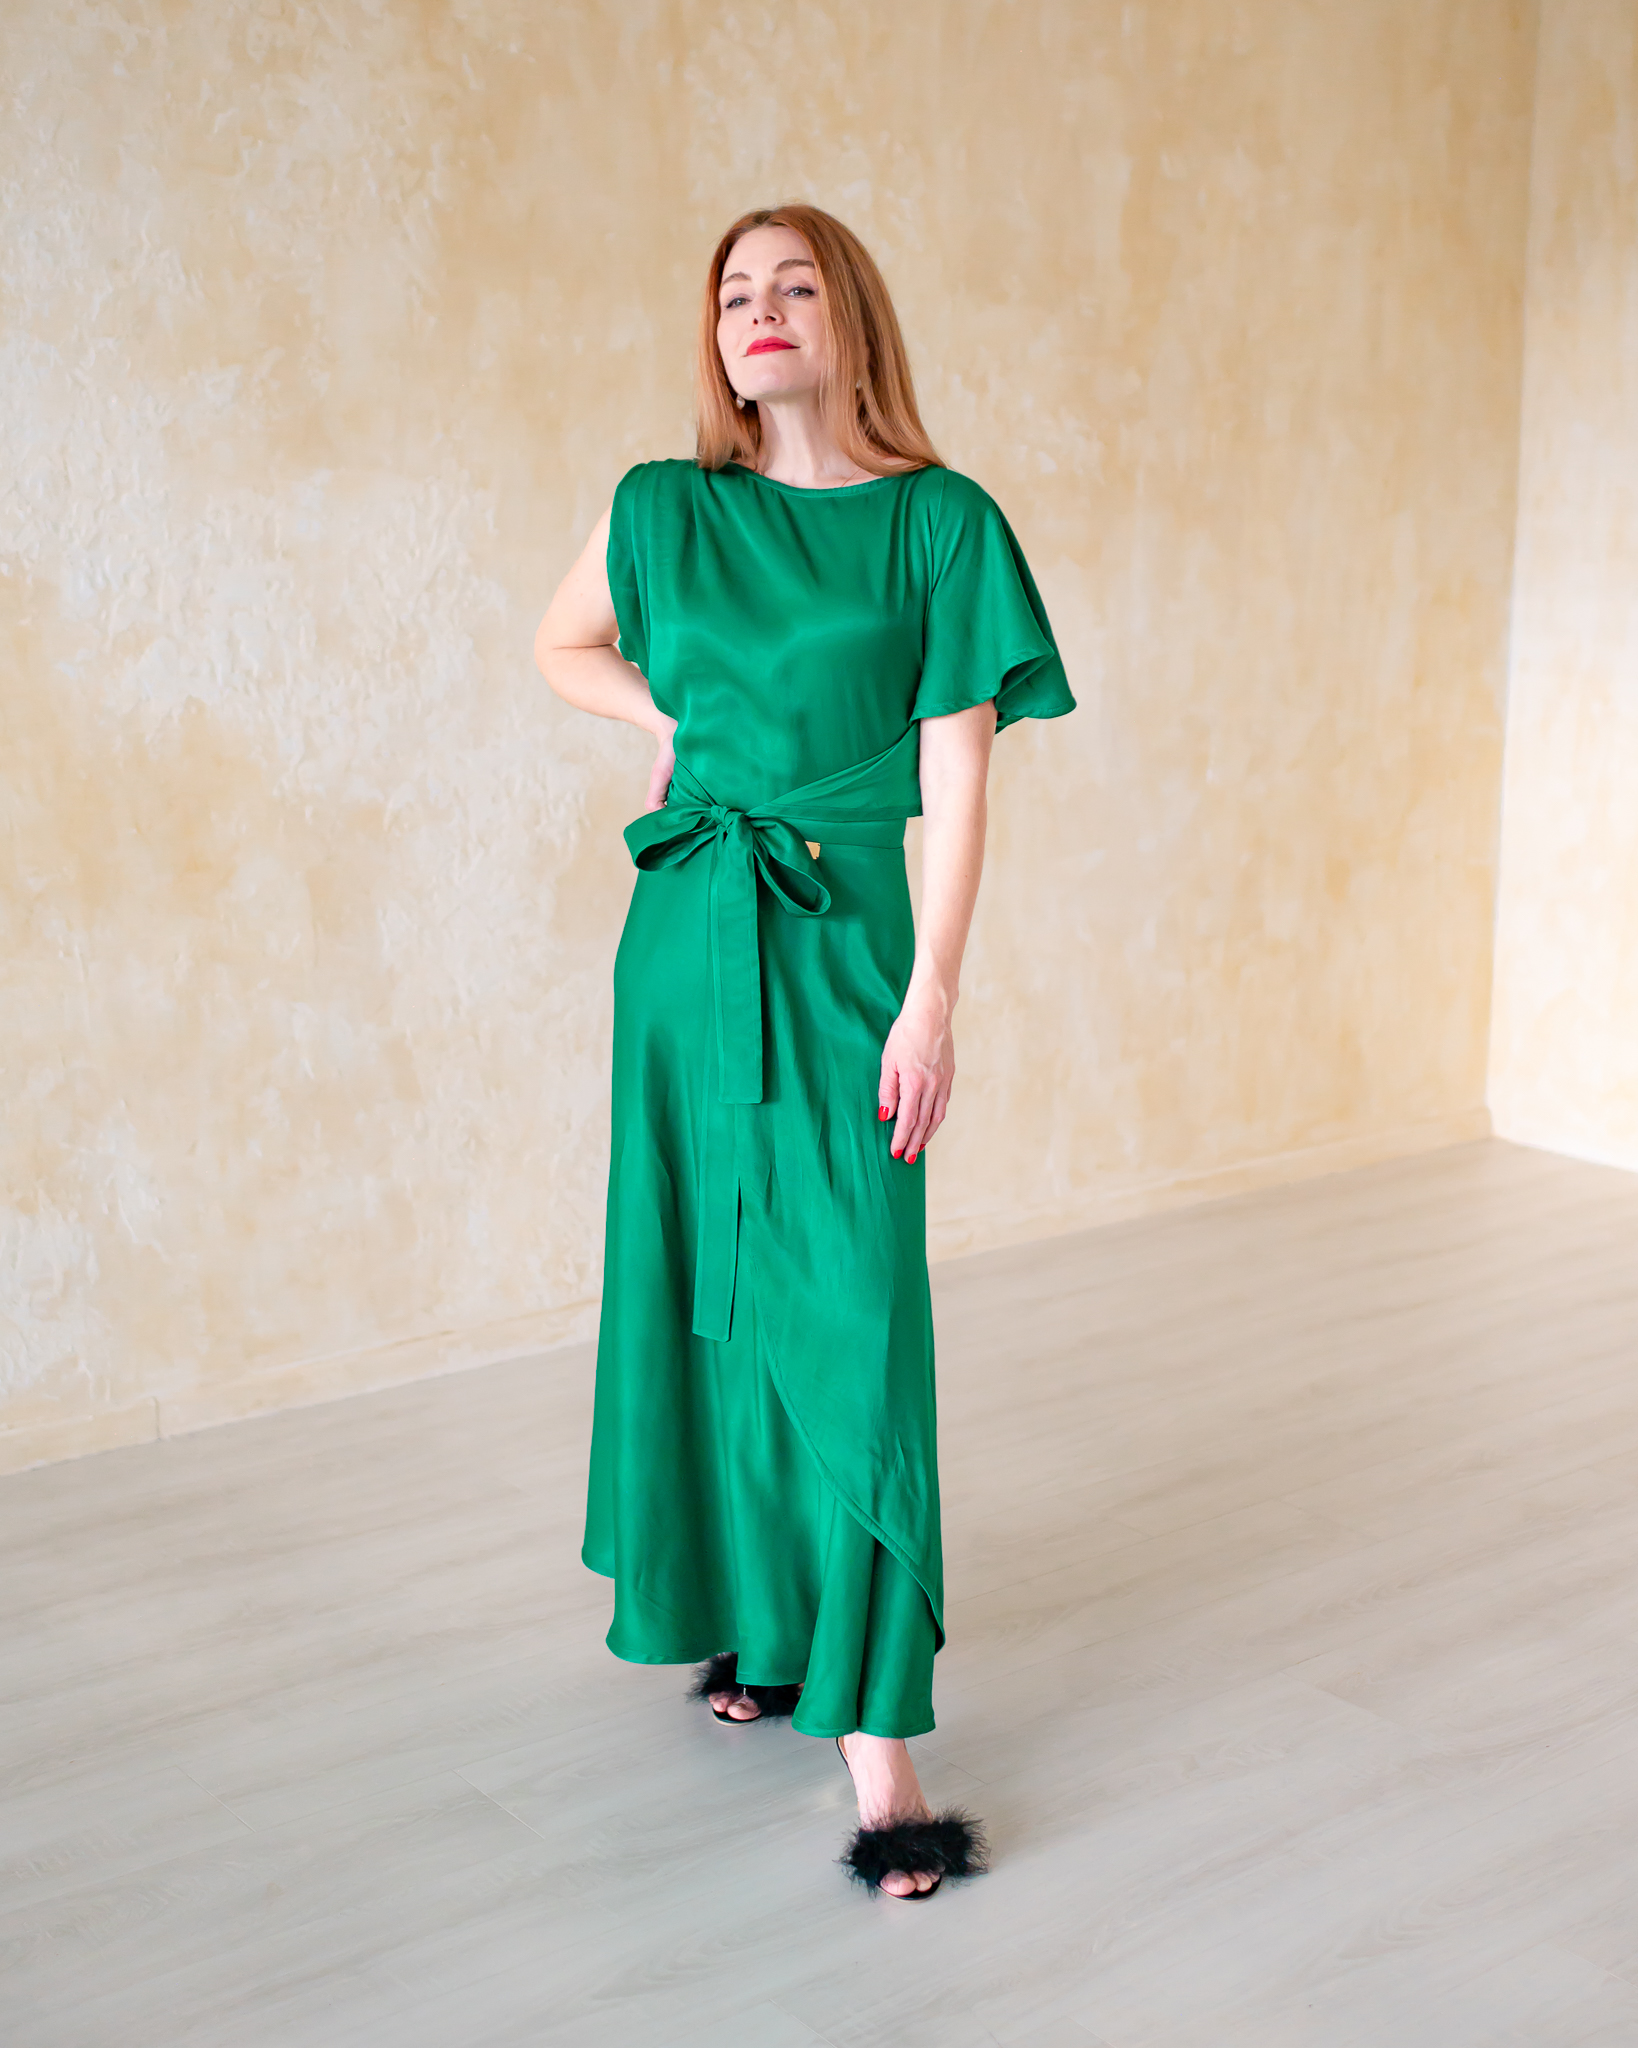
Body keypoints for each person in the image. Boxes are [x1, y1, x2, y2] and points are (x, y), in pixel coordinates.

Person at [536, 202, 1074, 1899]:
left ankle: (877, 1736)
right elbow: (561, 646)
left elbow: (960, 780)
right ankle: (763, 1626)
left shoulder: (938, 523)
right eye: (731, 295)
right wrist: (674, 717)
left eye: (792, 286)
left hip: (844, 949)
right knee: (709, 1290)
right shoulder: (662, 506)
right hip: (685, 942)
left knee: (849, 1310)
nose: (757, 312)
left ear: (851, 319)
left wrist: (932, 996)